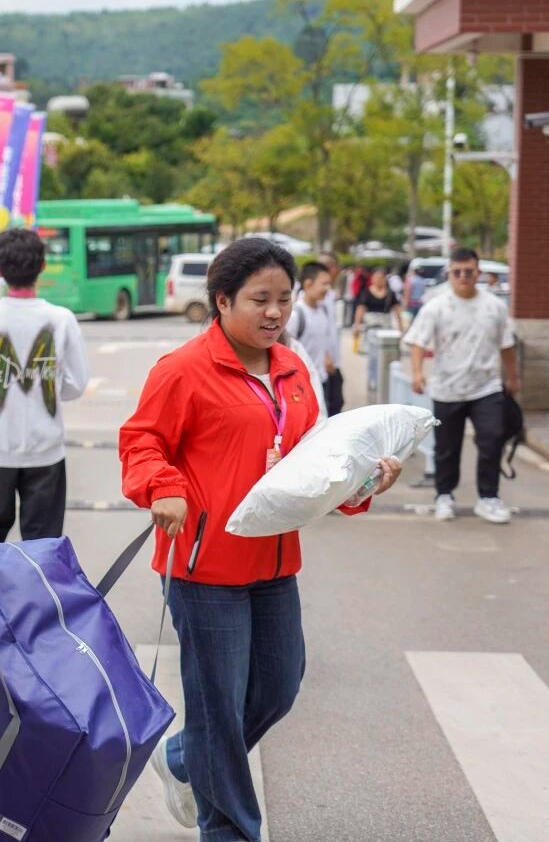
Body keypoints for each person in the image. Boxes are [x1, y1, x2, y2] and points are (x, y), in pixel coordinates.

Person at [120, 237, 402, 841]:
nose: (275, 313)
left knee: (279, 685)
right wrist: (163, 485)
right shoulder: (182, 370)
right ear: (222, 301)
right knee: (220, 708)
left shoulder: (293, 370)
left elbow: (316, 458)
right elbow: (141, 443)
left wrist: (360, 482)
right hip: (203, 568)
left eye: (285, 299)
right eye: (259, 300)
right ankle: (228, 829)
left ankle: (184, 759)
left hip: (275, 562)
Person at [0, 228, 89, 551]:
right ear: (42, 266)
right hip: (46, 449)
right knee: (43, 544)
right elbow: (75, 385)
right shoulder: (61, 319)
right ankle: (37, 602)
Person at [403, 247, 519, 524]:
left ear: (478, 273)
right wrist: (417, 373)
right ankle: (444, 495)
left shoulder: (494, 307)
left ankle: (489, 497)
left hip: (486, 386)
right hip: (447, 387)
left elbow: (507, 345)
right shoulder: (436, 307)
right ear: (450, 274)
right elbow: (418, 342)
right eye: (457, 272)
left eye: (469, 272)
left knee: (492, 439)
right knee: (447, 447)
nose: (463, 277)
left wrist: (513, 376)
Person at [286, 261, 343, 416]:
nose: (328, 289)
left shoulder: (323, 310)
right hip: (302, 385)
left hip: (322, 380)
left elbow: (322, 340)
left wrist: (328, 357)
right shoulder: (296, 315)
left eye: (329, 284)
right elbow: (285, 350)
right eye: (324, 284)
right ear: (309, 283)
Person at [353, 267, 404, 392]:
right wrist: (357, 326)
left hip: (387, 330)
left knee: (390, 357)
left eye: (381, 277)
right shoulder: (366, 292)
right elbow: (360, 309)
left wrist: (401, 328)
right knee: (373, 358)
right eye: (376, 277)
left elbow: (397, 310)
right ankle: (373, 381)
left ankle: (387, 382)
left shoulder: (390, 293)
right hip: (372, 329)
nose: (379, 280)